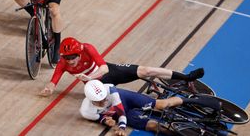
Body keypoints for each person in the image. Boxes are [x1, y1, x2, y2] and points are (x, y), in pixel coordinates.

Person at [40, 37, 204, 96]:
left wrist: (89, 77)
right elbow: (53, 82)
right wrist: (49, 89)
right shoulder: (63, 64)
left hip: (108, 72)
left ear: (79, 52)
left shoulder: (87, 48)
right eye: (66, 58)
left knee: (145, 70)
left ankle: (187, 77)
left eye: (72, 57)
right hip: (97, 85)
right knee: (122, 99)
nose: (69, 61)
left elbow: (104, 69)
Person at [79, 80, 220, 136]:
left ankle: (195, 100)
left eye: (104, 97)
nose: (104, 100)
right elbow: (102, 118)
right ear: (91, 99)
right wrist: (106, 121)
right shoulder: (86, 111)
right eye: (100, 101)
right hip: (127, 113)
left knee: (162, 104)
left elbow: (120, 111)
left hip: (126, 101)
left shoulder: (109, 89)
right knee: (155, 126)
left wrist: (121, 127)